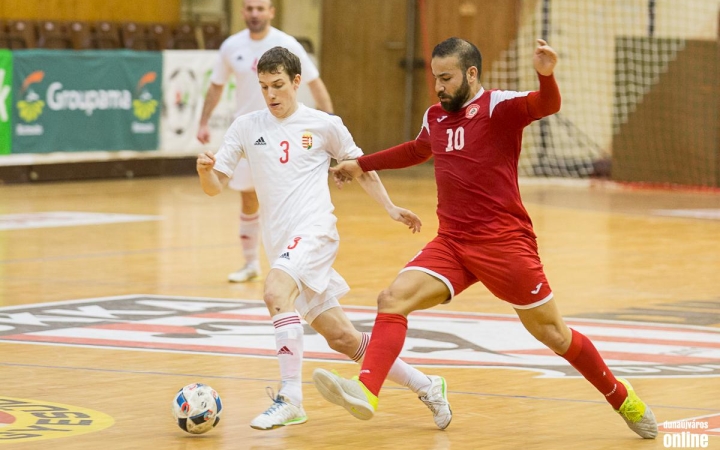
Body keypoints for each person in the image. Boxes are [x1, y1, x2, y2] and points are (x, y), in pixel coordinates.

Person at [312, 37, 658, 440]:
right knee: (392, 299)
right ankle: (366, 391)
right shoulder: (435, 117)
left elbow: (547, 106)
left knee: (554, 335)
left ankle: (620, 396)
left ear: (471, 74)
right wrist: (361, 164)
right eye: (435, 78)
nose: (438, 87)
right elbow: (418, 150)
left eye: (447, 78)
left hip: (504, 245)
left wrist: (546, 77)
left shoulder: (498, 107)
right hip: (453, 243)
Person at [196, 46, 452, 431]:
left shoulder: (323, 124)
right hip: (281, 244)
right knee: (342, 338)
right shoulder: (246, 127)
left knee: (274, 292)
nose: (271, 95)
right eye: (264, 86)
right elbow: (217, 187)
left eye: (278, 85)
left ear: (297, 82)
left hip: (314, 232)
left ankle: (290, 399)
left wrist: (390, 207)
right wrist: (204, 171)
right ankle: (429, 385)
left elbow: (360, 168)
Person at [197, 0, 334, 283]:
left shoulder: (287, 44)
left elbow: (314, 81)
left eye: (260, 8)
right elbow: (216, 85)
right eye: (249, 8)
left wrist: (329, 119)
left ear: (271, 12)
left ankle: (292, 258)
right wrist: (203, 121)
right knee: (247, 196)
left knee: (284, 195)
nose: (255, 13)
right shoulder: (231, 46)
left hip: (284, 133)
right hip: (249, 135)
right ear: (242, 12)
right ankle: (250, 263)